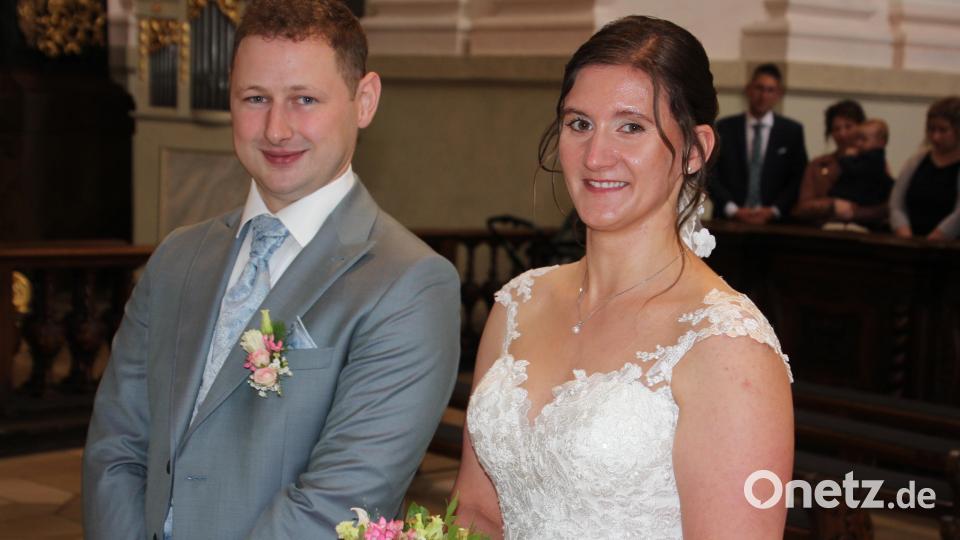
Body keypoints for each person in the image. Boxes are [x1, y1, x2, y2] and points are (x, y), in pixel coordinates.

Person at [82, 1, 461, 539]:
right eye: (255, 99)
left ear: (365, 100)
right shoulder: (178, 257)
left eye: (304, 99)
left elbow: (342, 498)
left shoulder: (409, 283)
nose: (277, 129)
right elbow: (116, 447)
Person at [452, 16, 794, 539]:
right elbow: (475, 510)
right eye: (579, 123)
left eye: (631, 126)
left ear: (696, 150)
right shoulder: (519, 303)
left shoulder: (726, 346)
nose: (595, 156)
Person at [709, 63, 808, 224]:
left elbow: (799, 178)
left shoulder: (792, 131)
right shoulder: (724, 127)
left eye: (770, 90)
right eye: (759, 88)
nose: (763, 95)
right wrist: (732, 209)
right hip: (728, 221)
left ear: (778, 94)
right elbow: (711, 173)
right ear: (748, 89)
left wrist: (774, 210)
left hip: (776, 224)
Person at [890, 96, 960, 240]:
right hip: (911, 240)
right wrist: (905, 235)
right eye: (931, 129)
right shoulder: (917, 160)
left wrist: (933, 240)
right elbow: (896, 203)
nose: (935, 137)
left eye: (943, 130)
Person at [824, 119, 894, 222]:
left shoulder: (873, 157)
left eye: (864, 139)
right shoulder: (868, 156)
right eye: (858, 139)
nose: (858, 143)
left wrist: (847, 158)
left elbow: (856, 171)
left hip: (866, 199)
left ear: (881, 142)